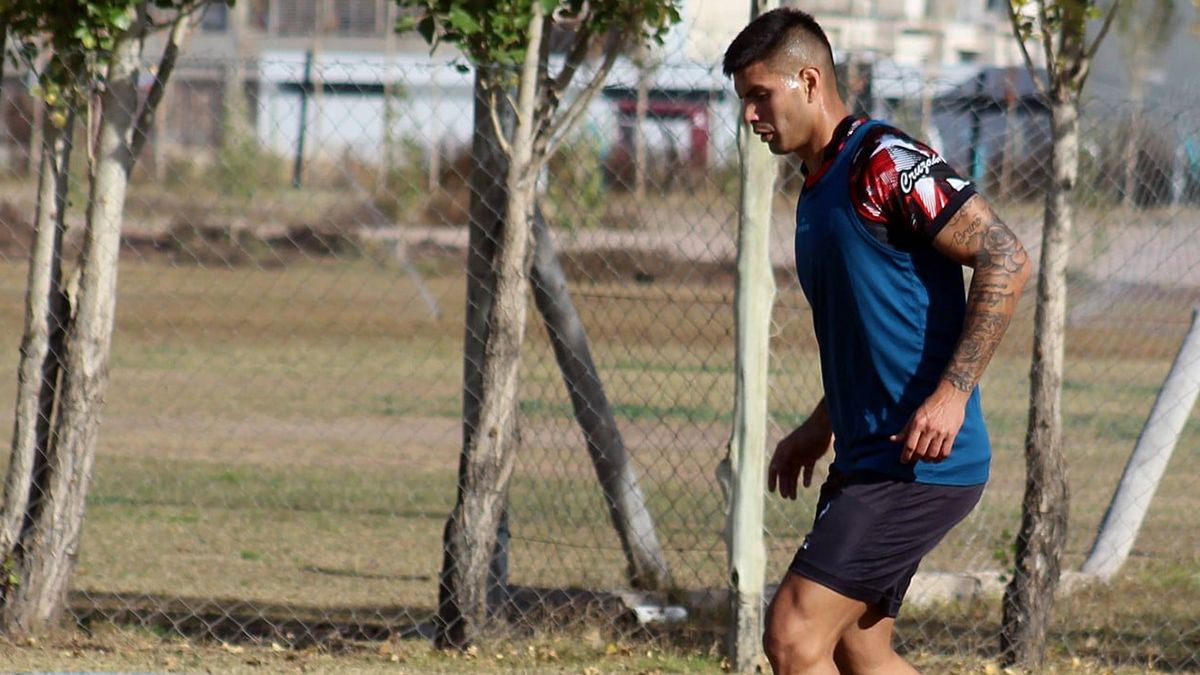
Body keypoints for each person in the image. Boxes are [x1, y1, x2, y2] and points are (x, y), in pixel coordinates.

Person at [723, 8, 1031, 675]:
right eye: (742, 99)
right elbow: (869, 335)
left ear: (808, 80)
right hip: (871, 454)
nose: (748, 115)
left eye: (758, 96)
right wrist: (819, 423)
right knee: (855, 647)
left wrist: (953, 393)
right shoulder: (817, 186)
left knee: (793, 636)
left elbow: (1006, 254)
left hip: (918, 463)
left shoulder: (885, 163)